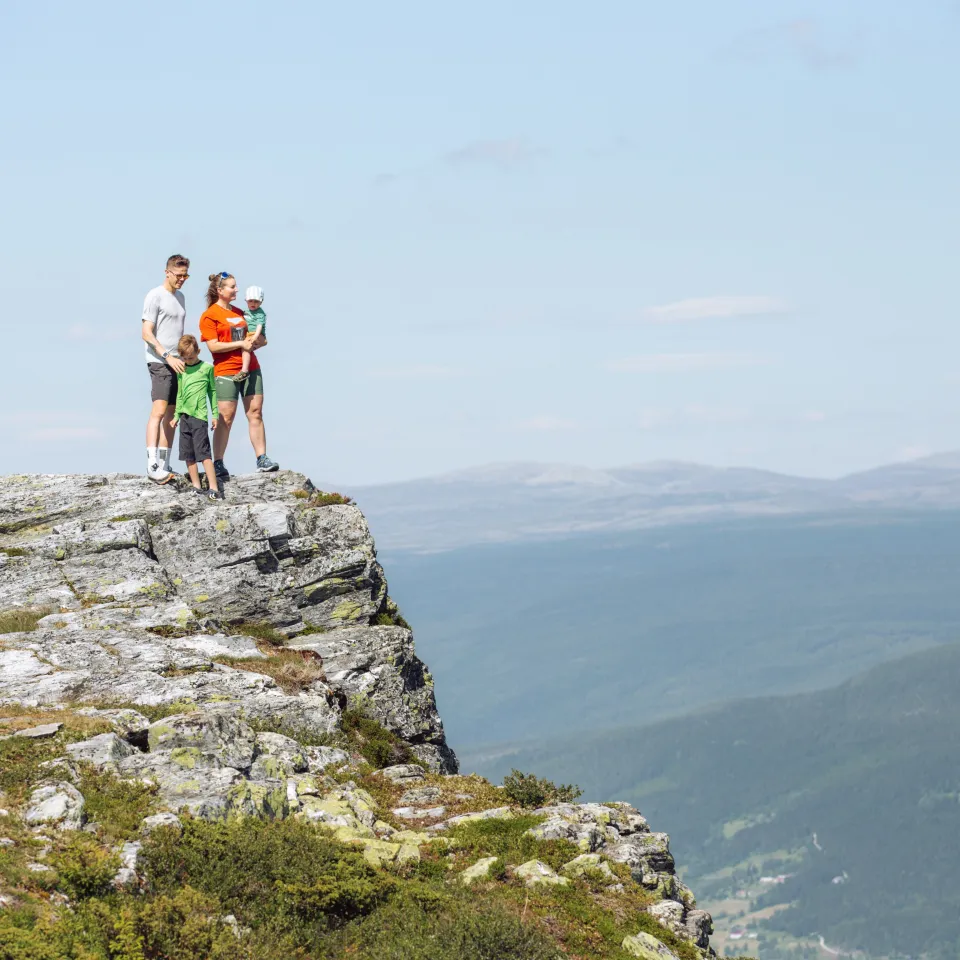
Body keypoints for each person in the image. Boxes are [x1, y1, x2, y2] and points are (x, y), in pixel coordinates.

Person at [198, 271, 279, 482]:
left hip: (251, 368)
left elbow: (259, 338)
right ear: (220, 291)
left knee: (256, 413)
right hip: (226, 370)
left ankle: (262, 458)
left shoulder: (241, 312)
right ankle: (218, 462)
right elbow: (213, 346)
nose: (236, 290)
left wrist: (257, 340)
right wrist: (240, 344)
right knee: (226, 418)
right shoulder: (210, 315)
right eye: (232, 287)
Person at [142, 254, 189, 484]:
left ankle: (164, 463)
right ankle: (152, 465)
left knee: (172, 416)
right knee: (158, 411)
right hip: (160, 361)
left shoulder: (180, 297)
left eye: (185, 276)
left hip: (178, 362)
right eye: (179, 276)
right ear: (167, 272)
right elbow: (146, 333)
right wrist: (166, 356)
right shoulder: (155, 296)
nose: (182, 280)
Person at [170, 335, 222, 502]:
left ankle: (214, 488)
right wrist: (176, 415)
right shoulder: (181, 369)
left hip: (199, 417)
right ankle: (196, 486)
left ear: (198, 351)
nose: (188, 361)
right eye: (185, 358)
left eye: (191, 357)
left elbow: (212, 392)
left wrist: (215, 414)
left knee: (204, 454)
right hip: (184, 417)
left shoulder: (207, 368)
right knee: (188, 454)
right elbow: (180, 394)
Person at [236, 285, 267, 383]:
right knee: (246, 350)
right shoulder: (246, 311)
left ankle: (244, 370)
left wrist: (255, 336)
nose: (253, 303)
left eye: (256, 301)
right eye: (251, 301)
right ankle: (244, 368)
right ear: (246, 300)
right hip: (249, 334)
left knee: (246, 348)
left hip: (255, 334)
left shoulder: (260, 313)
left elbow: (259, 325)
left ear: (261, 301)